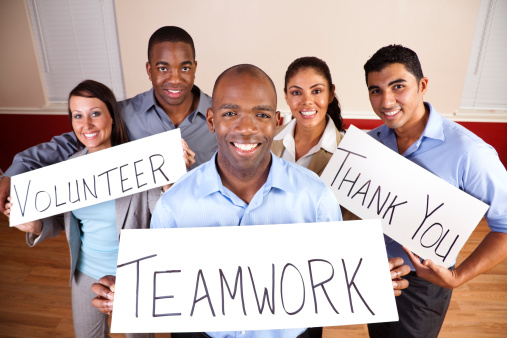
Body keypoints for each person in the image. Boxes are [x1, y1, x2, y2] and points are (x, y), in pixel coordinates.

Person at [90, 64, 411, 337]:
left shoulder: (315, 195)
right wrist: (127, 290)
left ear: (275, 121)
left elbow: (335, 270)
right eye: (231, 113)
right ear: (212, 120)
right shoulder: (174, 204)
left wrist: (368, 277)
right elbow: (161, 280)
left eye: (260, 114)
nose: (246, 127)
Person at [3, 80, 194, 338]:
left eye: (95, 113)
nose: (87, 125)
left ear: (112, 117)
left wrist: (172, 179)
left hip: (134, 272)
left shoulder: (140, 163)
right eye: (77, 116)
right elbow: (60, 222)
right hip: (85, 273)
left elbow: (162, 215)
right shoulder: (68, 169)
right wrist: (36, 225)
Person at [363, 45, 507, 338]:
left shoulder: (469, 152)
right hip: (377, 275)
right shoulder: (370, 144)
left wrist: (458, 276)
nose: (386, 100)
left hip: (424, 285)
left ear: (423, 85)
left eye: (398, 86)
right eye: (375, 90)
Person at [0, 26, 217, 213]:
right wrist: (16, 171)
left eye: (185, 67)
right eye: (162, 68)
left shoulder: (222, 116)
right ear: (149, 71)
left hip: (205, 227)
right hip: (145, 232)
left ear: (195, 68)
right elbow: (70, 143)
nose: (175, 78)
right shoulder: (123, 115)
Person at [272, 56, 359, 228]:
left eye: (316, 91)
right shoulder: (267, 140)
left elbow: (352, 227)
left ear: (331, 93)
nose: (307, 101)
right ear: (286, 96)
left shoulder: (352, 156)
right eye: (296, 92)